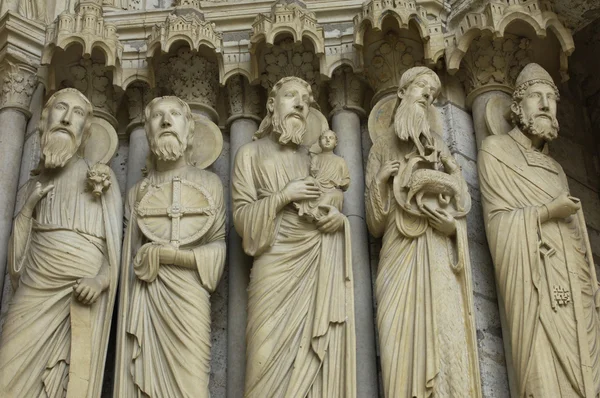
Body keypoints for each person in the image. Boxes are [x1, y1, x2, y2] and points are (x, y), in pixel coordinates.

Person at [478, 63, 600, 397]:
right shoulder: (496, 151)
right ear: (516, 108)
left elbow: (577, 235)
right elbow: (498, 225)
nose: (546, 105)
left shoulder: (558, 169)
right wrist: (549, 211)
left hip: (576, 289)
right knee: (543, 375)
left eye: (551, 97)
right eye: (536, 96)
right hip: (535, 283)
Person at [232, 77, 356, 398]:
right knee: (263, 353)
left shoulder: (313, 160)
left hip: (315, 258)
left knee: (317, 354)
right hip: (273, 261)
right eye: (291, 96)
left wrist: (337, 220)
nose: (300, 104)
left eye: (306, 99)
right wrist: (282, 196)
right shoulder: (249, 154)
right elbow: (242, 220)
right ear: (272, 105)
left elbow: (331, 201)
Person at [365, 66, 481, 397]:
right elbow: (373, 225)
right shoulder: (380, 149)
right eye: (421, 89)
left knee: (447, 332)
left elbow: (462, 195)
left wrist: (453, 228)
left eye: (431, 96)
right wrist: (380, 183)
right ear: (402, 93)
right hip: (398, 251)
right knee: (395, 334)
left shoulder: (440, 149)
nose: (426, 98)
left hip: (437, 252)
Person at [0, 88, 122, 398]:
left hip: (80, 295)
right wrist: (28, 207)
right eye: (60, 109)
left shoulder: (102, 182)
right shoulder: (31, 185)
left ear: (86, 132)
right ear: (43, 121)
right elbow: (16, 263)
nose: (67, 119)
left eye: (78, 113)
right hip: (33, 289)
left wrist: (98, 280)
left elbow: (116, 254)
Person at [114, 96, 226, 397]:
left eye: (175, 114)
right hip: (147, 297)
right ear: (148, 132)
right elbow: (125, 258)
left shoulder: (210, 184)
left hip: (188, 297)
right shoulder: (137, 193)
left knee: (191, 382)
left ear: (189, 131)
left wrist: (172, 256)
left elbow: (218, 249)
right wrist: (141, 259)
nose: (166, 121)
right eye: (157, 116)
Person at [295, 129, 350, 221]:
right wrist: (314, 172)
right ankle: (302, 207)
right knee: (308, 179)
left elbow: (346, 180)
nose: (328, 140)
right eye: (325, 138)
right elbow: (313, 173)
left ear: (336, 143)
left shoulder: (340, 161)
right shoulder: (316, 158)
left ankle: (315, 211)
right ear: (319, 142)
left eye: (331, 138)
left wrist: (339, 183)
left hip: (332, 189)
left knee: (336, 194)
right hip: (318, 185)